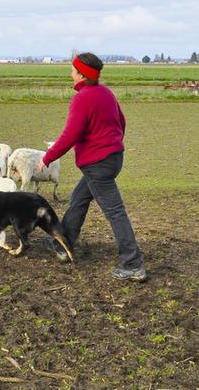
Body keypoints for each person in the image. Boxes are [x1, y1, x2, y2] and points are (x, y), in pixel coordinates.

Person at [38, 52, 146, 281]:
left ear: (81, 74)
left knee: (115, 212)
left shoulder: (82, 98)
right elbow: (121, 121)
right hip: (113, 158)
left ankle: (133, 263)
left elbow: (70, 135)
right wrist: (112, 143)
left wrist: (47, 157)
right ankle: (63, 244)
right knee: (79, 198)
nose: (70, 73)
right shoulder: (105, 92)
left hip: (98, 164)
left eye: (72, 70)